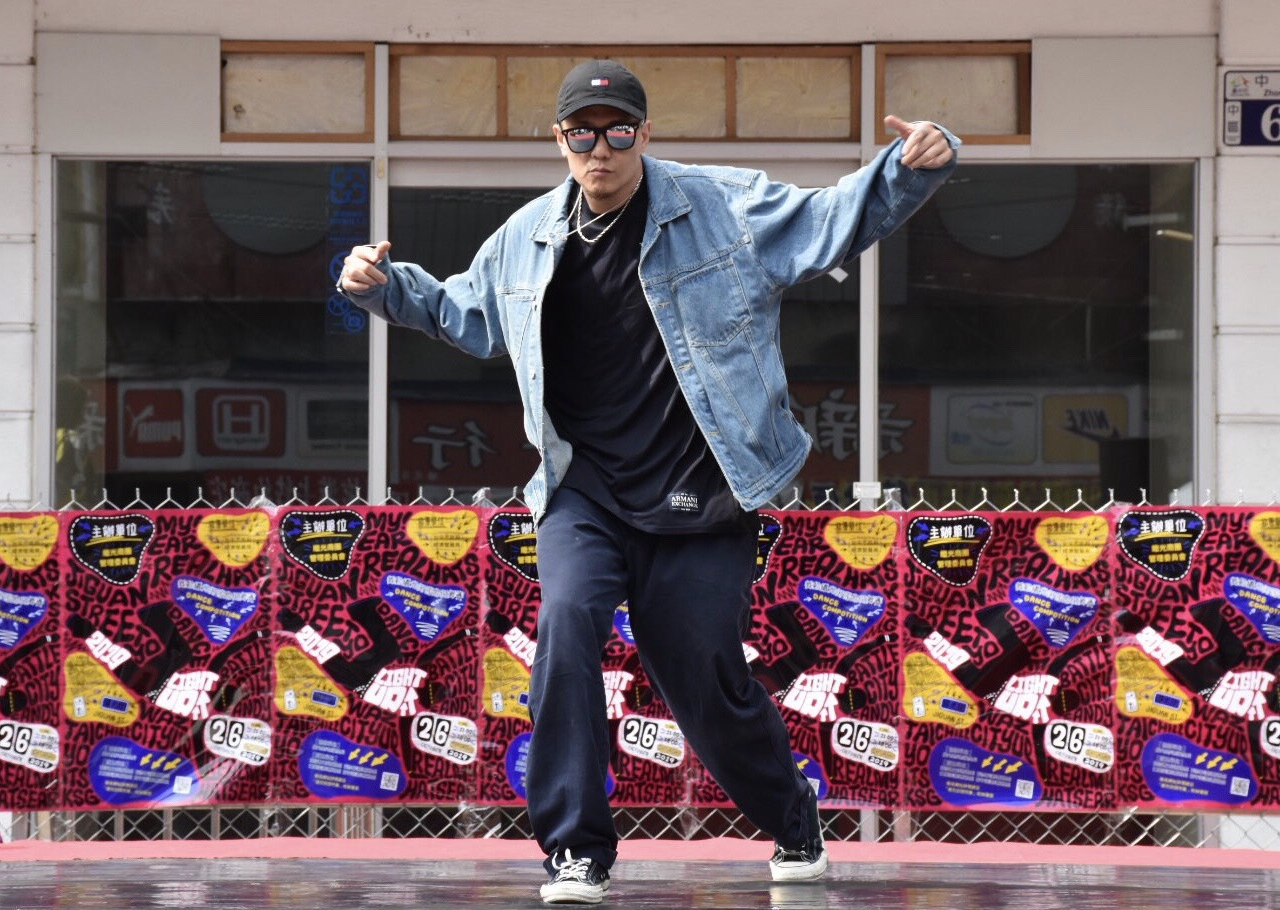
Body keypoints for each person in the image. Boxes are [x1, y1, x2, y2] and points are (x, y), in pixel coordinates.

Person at [339, 59, 958, 905]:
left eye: (618, 131)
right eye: (582, 134)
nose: (600, 150)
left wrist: (910, 166)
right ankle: (575, 849)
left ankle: (792, 817)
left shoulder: (723, 206)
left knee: (706, 680)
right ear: (560, 140)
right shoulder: (526, 237)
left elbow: (826, 223)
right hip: (584, 492)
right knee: (565, 628)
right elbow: (466, 313)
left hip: (702, 493)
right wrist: (383, 287)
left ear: (645, 134)